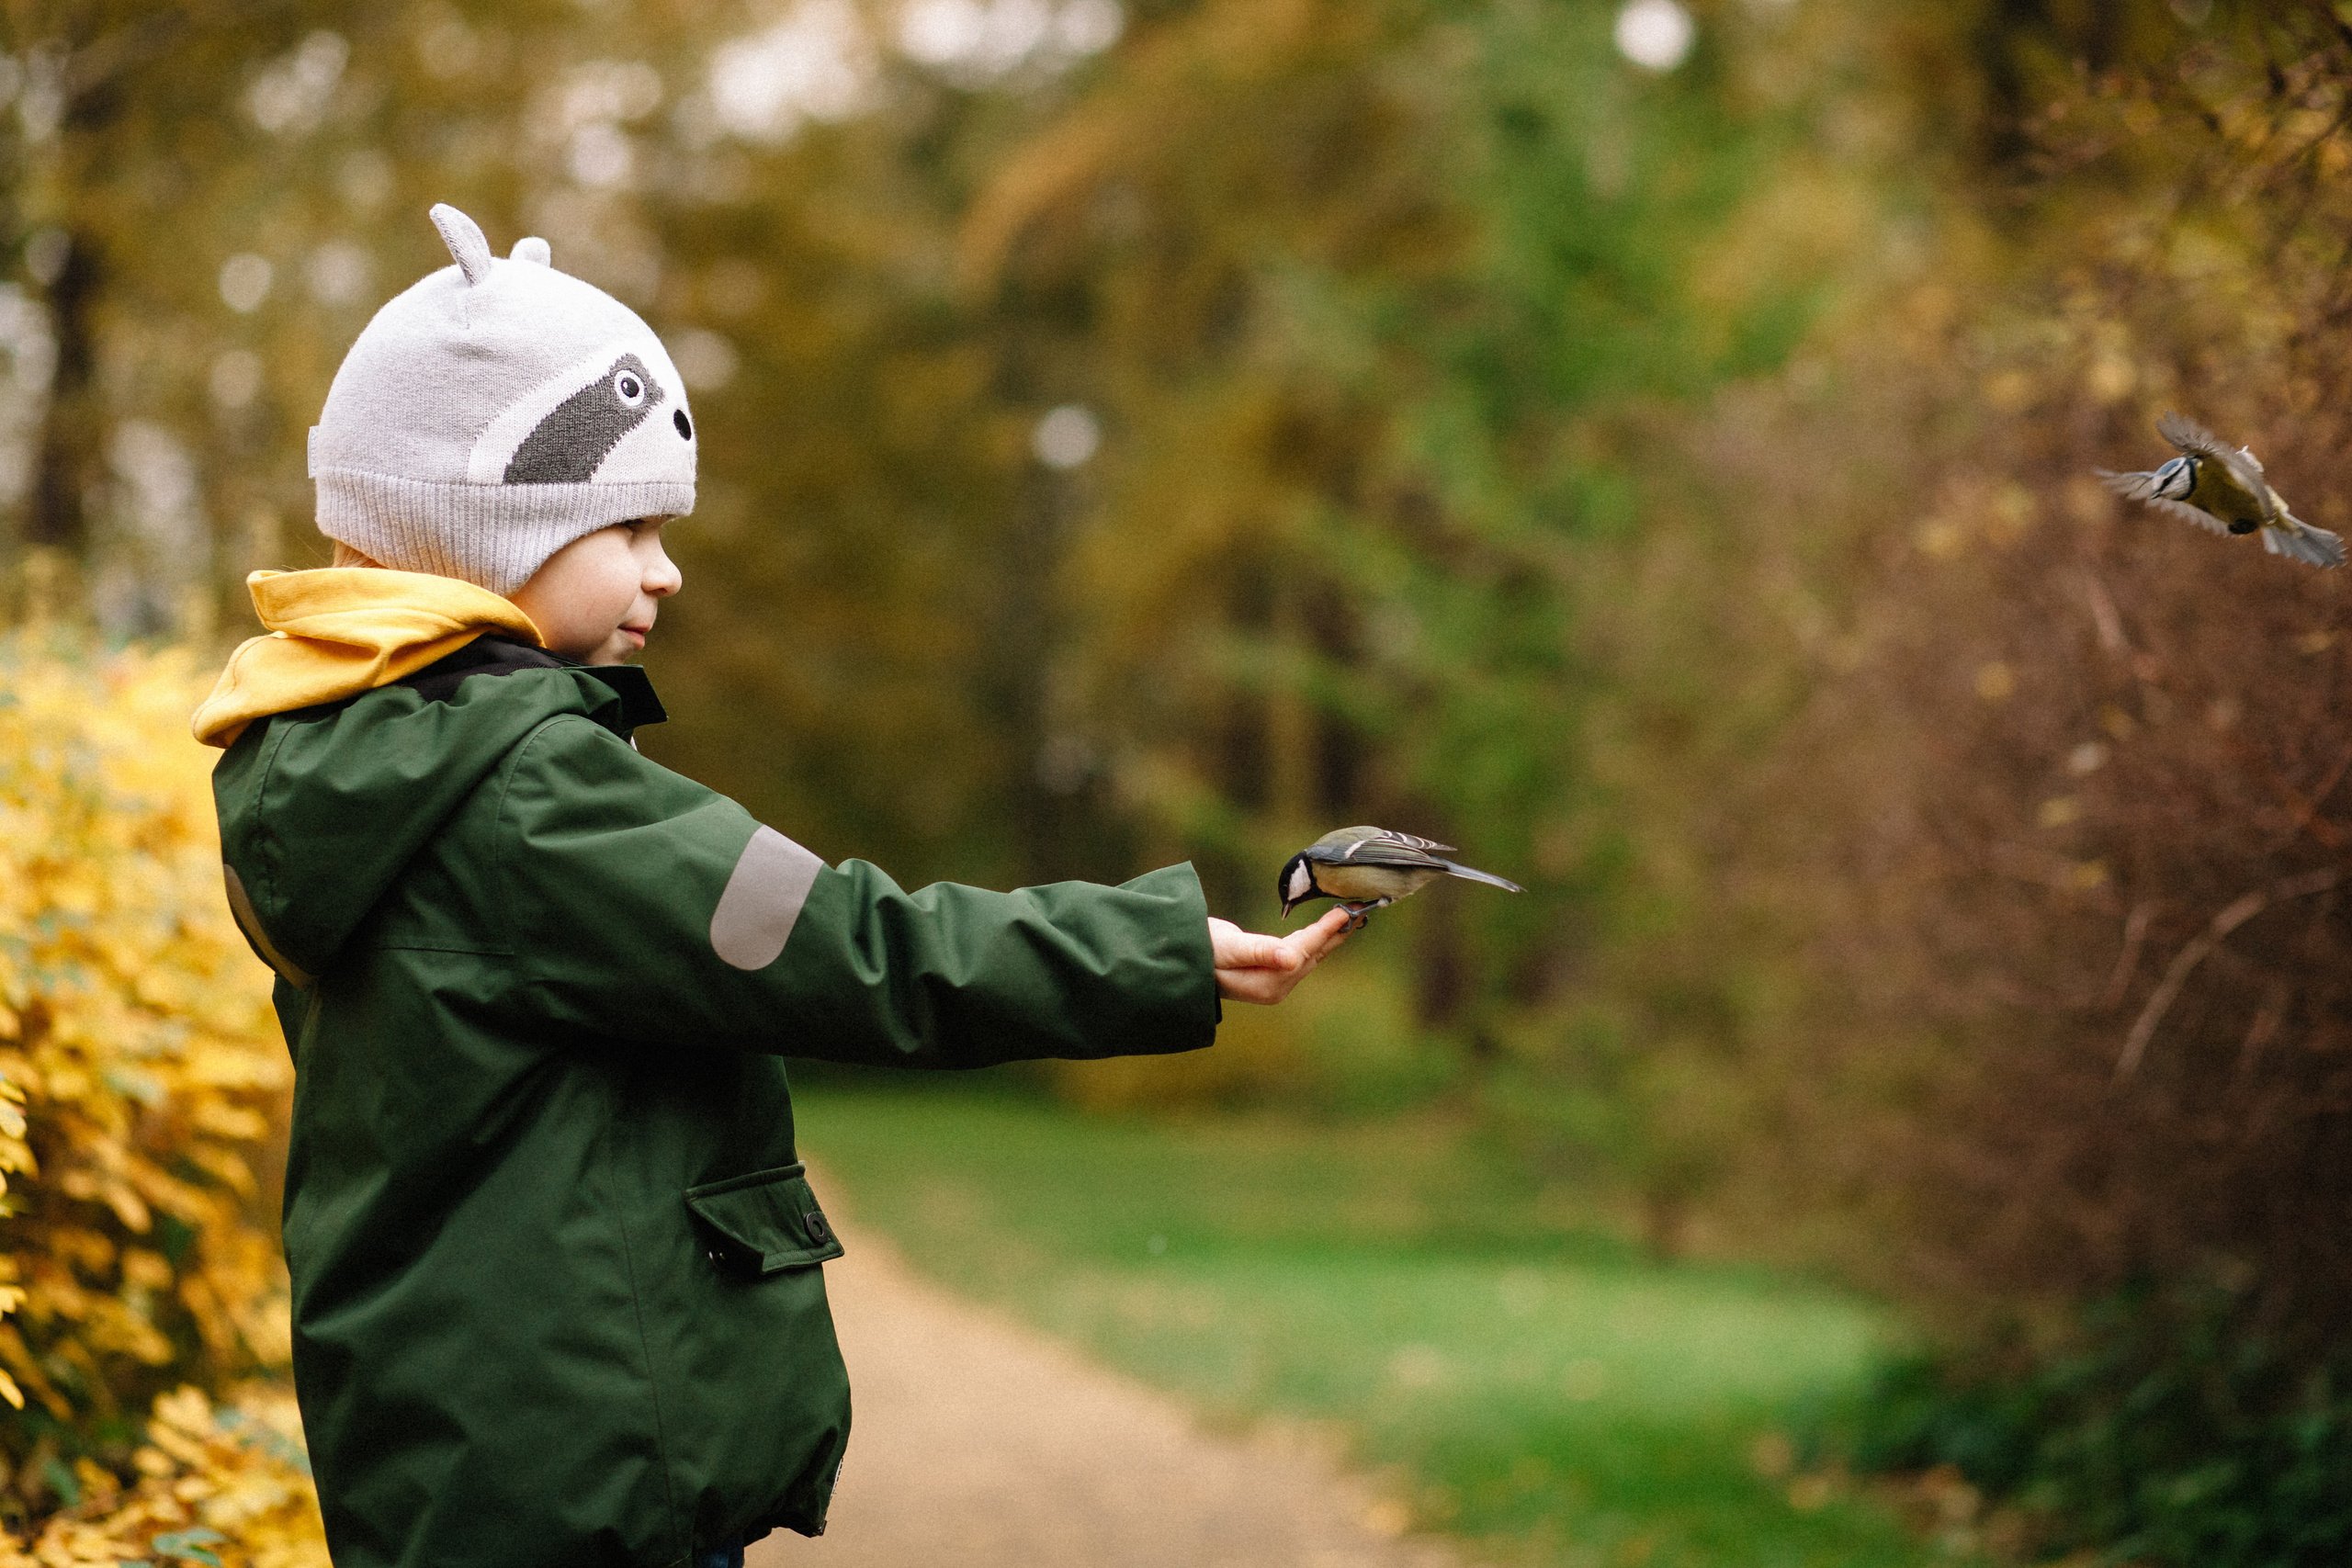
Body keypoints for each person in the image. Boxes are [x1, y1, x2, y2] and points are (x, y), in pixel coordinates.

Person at [193, 205, 1350, 1568]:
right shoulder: (531, 802)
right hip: (588, 1480)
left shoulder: (336, 765)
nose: (665, 570)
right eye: (627, 528)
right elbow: (857, 948)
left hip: (447, 1455)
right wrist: (1155, 947)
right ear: (493, 526)